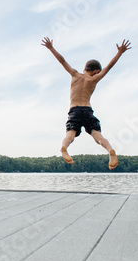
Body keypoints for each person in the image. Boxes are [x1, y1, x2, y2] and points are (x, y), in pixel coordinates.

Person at [41, 37, 131, 170]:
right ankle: (110, 150)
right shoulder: (94, 79)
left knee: (70, 134)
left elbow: (62, 61)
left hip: (75, 110)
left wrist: (51, 48)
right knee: (97, 135)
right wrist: (119, 53)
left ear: (86, 68)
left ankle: (64, 148)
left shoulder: (75, 75)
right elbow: (109, 67)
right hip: (87, 110)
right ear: (96, 71)